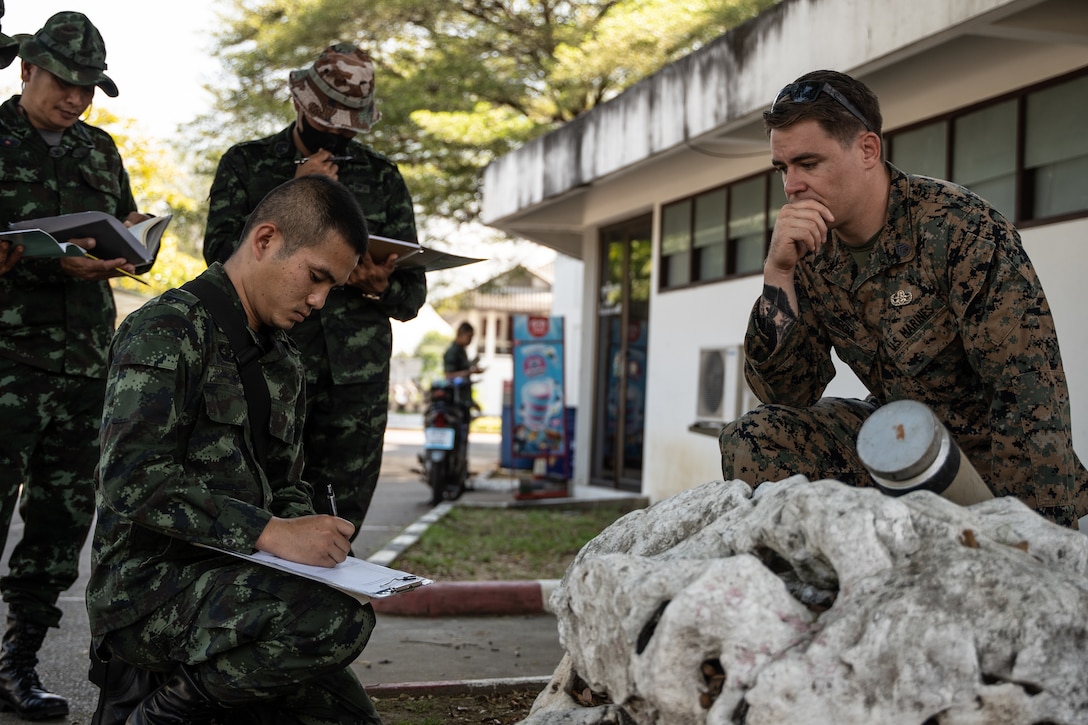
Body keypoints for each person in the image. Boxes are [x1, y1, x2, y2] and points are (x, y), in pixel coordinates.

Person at [719, 69, 1085, 528]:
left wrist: (1034, 536)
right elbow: (786, 393)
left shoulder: (960, 228)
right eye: (783, 168)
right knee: (754, 436)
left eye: (808, 164)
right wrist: (779, 273)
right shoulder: (809, 249)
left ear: (868, 150)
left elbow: (1029, 395)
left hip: (985, 467)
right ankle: (832, 577)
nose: (791, 185)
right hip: (896, 449)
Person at [88, 175, 383, 724]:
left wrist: (310, 536)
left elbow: (284, 481)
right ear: (266, 240)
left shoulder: (282, 359)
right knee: (328, 622)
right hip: (147, 589)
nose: (319, 301)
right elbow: (131, 478)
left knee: (349, 711)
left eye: (332, 289)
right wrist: (269, 533)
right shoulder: (166, 330)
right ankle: (166, 712)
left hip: (235, 578)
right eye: (316, 277)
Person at [204, 43, 427, 535]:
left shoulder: (382, 179)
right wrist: (291, 191)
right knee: (258, 507)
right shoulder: (248, 164)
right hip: (265, 366)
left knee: (340, 523)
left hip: (355, 388)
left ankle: (327, 612)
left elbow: (411, 296)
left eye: (351, 122)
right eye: (331, 118)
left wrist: (377, 286)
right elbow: (220, 259)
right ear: (302, 103)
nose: (341, 130)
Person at [0, 12, 148, 719]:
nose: (78, 99)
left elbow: (120, 225)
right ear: (26, 70)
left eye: (90, 88)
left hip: (84, 363)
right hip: (6, 362)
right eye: (66, 83)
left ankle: (18, 664)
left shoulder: (100, 151)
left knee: (61, 522)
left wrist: (122, 251)